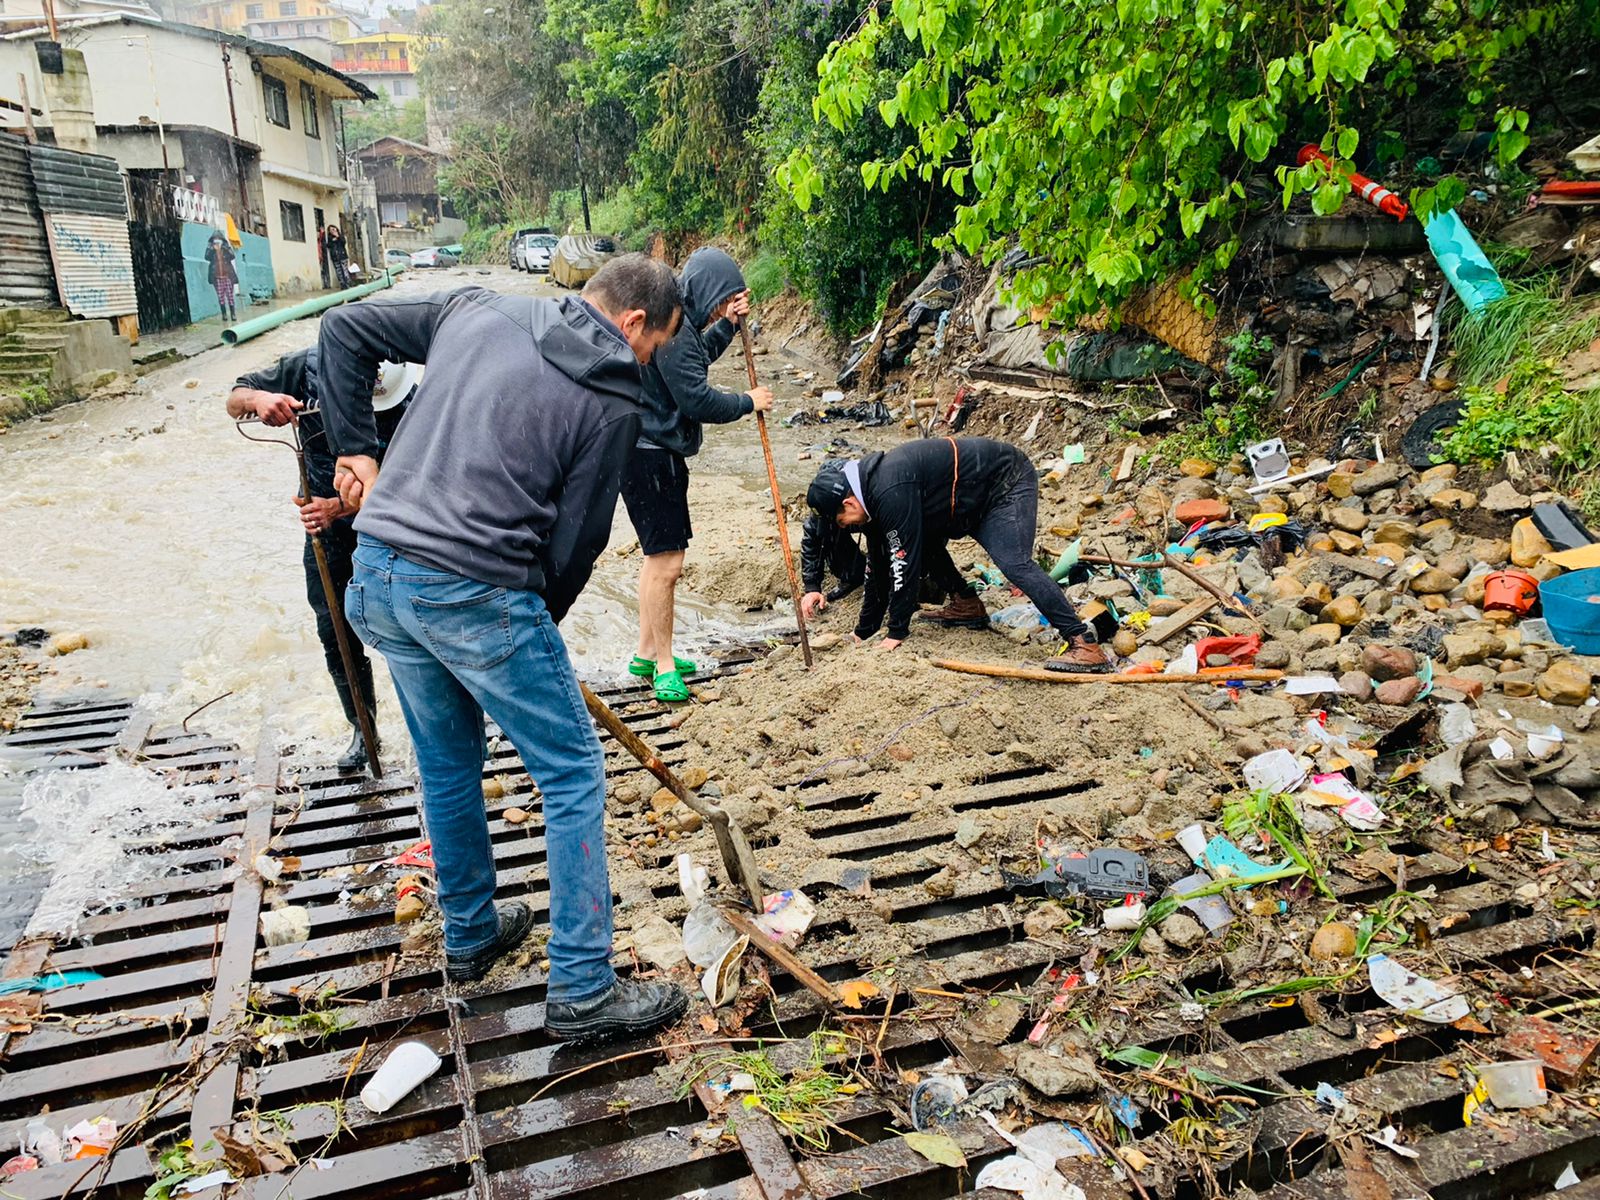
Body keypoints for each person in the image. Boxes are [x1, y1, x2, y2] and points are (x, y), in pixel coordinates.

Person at [318, 254, 692, 1040]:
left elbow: (344, 327)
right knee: (572, 769)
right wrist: (525, 637)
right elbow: (577, 545)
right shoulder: (615, 397)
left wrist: (355, 448)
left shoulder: (475, 308)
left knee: (449, 760)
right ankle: (585, 989)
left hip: (378, 574)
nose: (649, 365)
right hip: (472, 590)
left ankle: (472, 931)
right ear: (631, 325)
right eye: (654, 348)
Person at [225, 354, 418, 773]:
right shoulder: (309, 366)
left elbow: (420, 485)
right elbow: (234, 399)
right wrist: (260, 398)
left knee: (416, 627)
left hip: (395, 528)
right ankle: (362, 728)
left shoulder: (414, 405)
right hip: (325, 535)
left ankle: (441, 729)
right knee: (335, 630)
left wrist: (340, 506)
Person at [800, 437, 1112, 671]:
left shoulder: (888, 489)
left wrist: (897, 632)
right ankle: (966, 604)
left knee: (1014, 564)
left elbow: (902, 564)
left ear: (850, 504)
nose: (845, 528)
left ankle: (1083, 643)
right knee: (922, 543)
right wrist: (863, 632)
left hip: (1003, 485)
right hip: (962, 503)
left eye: (842, 522)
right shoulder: (869, 496)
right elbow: (878, 566)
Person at [619, 247, 774, 703]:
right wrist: (749, 401)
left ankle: (646, 653)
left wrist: (727, 325)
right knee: (667, 565)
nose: (717, 308)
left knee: (656, 559)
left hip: (643, 449)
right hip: (653, 455)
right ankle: (665, 666)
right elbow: (698, 400)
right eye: (719, 300)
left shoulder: (677, 322)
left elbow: (695, 358)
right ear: (704, 290)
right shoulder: (675, 329)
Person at [799, 508, 866, 605]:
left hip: (869, 512)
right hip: (837, 516)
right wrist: (812, 587)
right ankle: (853, 574)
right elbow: (811, 542)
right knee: (826, 533)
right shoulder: (821, 507)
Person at [205, 233, 239, 322]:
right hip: (217, 277)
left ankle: (233, 314)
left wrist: (224, 248)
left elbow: (232, 256)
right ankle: (224, 314)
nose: (217, 241)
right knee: (221, 297)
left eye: (219, 239)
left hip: (227, 276)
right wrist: (213, 249)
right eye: (215, 240)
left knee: (230, 296)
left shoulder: (226, 248)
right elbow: (206, 257)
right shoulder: (210, 249)